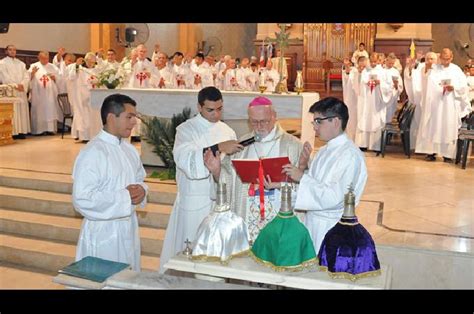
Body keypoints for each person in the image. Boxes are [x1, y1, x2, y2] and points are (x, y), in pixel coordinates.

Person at [159, 86, 243, 273]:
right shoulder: (186, 129)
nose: (215, 114)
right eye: (210, 110)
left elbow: (232, 167)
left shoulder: (227, 131)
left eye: (220, 109)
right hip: (194, 201)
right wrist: (219, 147)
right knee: (190, 250)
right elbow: (186, 160)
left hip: (218, 199)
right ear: (199, 107)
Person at [208, 96, 304, 243]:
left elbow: (305, 184)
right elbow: (228, 178)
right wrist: (216, 171)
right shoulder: (241, 146)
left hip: (279, 212)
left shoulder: (293, 146)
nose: (259, 126)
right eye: (254, 122)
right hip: (248, 213)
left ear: (274, 117)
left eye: (264, 121)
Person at [282, 97, 368, 254]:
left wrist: (302, 176)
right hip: (314, 222)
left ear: (335, 121)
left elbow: (335, 196)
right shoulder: (325, 150)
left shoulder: (350, 155)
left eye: (318, 121)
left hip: (331, 226)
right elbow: (317, 183)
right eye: (314, 122)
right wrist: (303, 166)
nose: (314, 127)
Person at [72, 94, 148, 271]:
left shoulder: (129, 150)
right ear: (111, 118)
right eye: (129, 117)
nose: (134, 122)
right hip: (103, 233)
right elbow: (82, 199)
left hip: (128, 227)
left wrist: (142, 191)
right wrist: (125, 196)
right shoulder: (93, 152)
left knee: (128, 277)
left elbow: (139, 180)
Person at [415, 49, 471, 162]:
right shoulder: (434, 69)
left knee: (448, 126)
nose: (445, 61)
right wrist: (427, 67)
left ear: (451, 57)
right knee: (434, 126)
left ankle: (447, 154)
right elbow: (426, 79)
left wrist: (453, 88)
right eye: (443, 59)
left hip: (450, 103)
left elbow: (464, 86)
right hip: (436, 103)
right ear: (440, 57)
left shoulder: (456, 70)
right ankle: (431, 152)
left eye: (447, 59)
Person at [354, 52, 391, 152]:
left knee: (375, 121)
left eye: (375, 61)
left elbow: (389, 87)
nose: (373, 63)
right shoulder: (365, 71)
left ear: (379, 60)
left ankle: (375, 146)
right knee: (364, 120)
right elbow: (359, 84)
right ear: (369, 60)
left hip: (377, 102)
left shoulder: (383, 72)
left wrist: (381, 83)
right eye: (372, 61)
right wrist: (362, 79)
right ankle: (363, 144)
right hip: (366, 101)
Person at [67, 52, 103, 142]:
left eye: (93, 62)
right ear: (85, 61)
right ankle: (85, 137)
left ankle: (95, 135)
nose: (91, 63)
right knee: (84, 116)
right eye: (89, 61)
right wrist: (76, 65)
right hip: (82, 96)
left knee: (95, 116)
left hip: (95, 95)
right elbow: (71, 77)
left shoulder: (97, 70)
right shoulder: (80, 69)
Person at [0, 44, 31, 139]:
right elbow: (4, 76)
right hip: (11, 91)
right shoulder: (2, 63)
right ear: (6, 51)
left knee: (21, 111)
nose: (12, 51)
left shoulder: (21, 64)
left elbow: (26, 76)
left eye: (14, 50)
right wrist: (15, 85)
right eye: (10, 50)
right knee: (13, 111)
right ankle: (13, 132)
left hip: (21, 91)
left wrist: (23, 84)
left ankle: (21, 131)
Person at [28, 51, 60, 135]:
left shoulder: (53, 67)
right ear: (39, 57)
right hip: (38, 93)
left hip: (50, 94)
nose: (45, 60)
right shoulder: (34, 66)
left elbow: (60, 79)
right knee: (39, 110)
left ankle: (50, 129)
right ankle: (39, 130)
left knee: (50, 109)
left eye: (47, 58)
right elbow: (27, 79)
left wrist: (55, 78)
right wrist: (32, 73)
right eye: (43, 58)